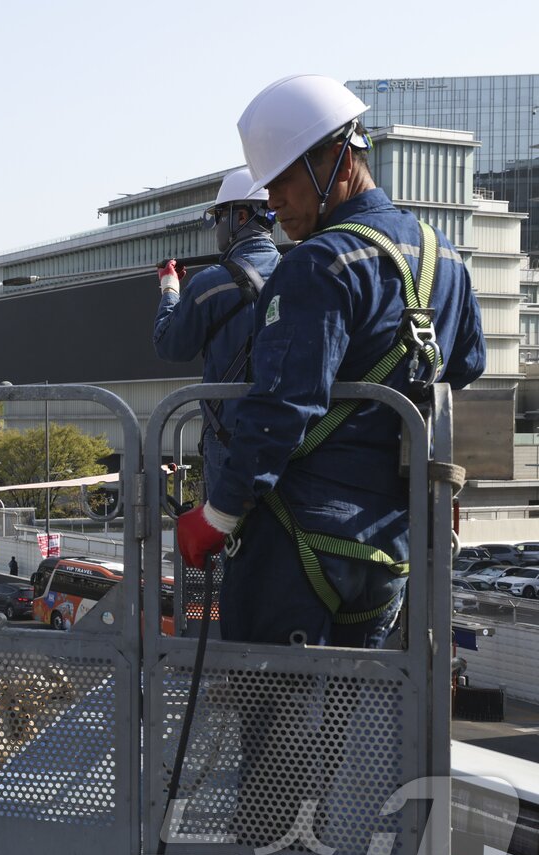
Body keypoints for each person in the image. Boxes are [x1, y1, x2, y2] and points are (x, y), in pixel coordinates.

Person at [176, 74, 486, 647]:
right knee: (346, 723)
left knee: (274, 727)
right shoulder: (446, 259)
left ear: (340, 160)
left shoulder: (321, 263)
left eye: (285, 182)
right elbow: (463, 369)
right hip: (387, 547)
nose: (272, 203)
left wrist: (217, 515)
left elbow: (281, 405)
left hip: (296, 542)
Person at [153, 167, 281, 496]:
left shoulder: (212, 282)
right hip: (289, 433)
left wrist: (170, 288)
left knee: (228, 539)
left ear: (240, 216)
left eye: (218, 218)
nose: (216, 229)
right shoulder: (296, 271)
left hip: (230, 437)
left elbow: (170, 345)